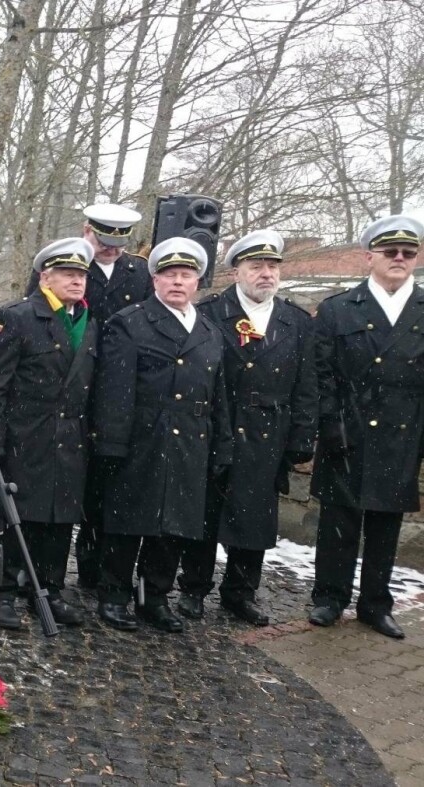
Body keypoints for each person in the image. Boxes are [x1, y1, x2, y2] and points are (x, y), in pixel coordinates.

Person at [177, 230, 317, 626]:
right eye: (256, 266)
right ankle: (193, 587)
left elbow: (307, 384)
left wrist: (302, 437)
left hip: (268, 432)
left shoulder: (295, 321)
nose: (266, 274)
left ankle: (240, 592)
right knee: (205, 514)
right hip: (217, 426)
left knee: (255, 517)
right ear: (237, 271)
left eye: (272, 267)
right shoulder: (209, 312)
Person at [91, 238, 231, 634]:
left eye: (186, 275)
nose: (177, 282)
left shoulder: (210, 331)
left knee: (174, 526)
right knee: (127, 522)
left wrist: (222, 444)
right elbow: (114, 391)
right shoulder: (129, 322)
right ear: (154, 279)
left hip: (191, 440)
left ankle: (154, 596)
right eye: (169, 275)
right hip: (142, 438)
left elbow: (219, 396)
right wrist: (111, 444)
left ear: (197, 282)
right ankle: (114, 594)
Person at [309, 214, 424, 640]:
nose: (399, 258)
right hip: (348, 429)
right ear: (369, 257)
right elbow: (320, 373)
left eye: (408, 253)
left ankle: (376, 604)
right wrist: (330, 423)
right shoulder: (338, 309)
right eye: (390, 251)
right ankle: (329, 597)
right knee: (338, 521)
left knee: (385, 524)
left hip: (401, 433)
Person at [0, 238, 100, 631]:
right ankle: (4, 591)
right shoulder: (17, 317)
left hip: (70, 440)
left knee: (59, 521)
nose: (76, 281)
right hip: (24, 439)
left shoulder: (88, 323)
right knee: (17, 518)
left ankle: (48, 588)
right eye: (67, 273)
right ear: (45, 277)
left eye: (81, 275)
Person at [28, 205, 153, 590]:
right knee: (59, 486)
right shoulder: (65, 266)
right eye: (104, 240)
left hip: (117, 387)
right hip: (69, 382)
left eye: (119, 242)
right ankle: (39, 572)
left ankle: (93, 567)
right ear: (87, 231)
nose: (112, 249)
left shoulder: (139, 273)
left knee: (104, 485)